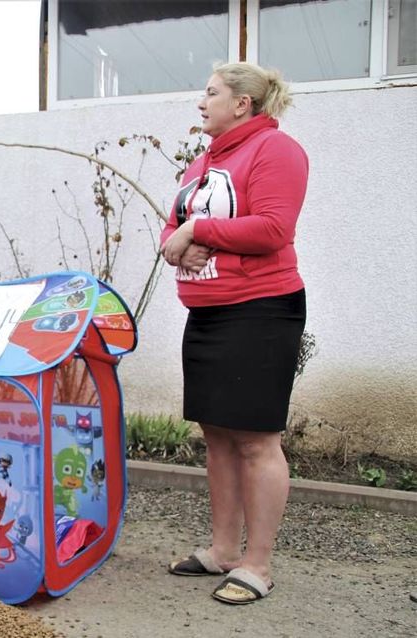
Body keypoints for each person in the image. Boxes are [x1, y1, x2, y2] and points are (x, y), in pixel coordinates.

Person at [161, 62, 308, 605]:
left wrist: (199, 230)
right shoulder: (202, 162)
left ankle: (257, 564)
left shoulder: (276, 151)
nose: (202, 102)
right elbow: (170, 225)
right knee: (217, 435)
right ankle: (223, 552)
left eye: (212, 93)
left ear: (243, 103)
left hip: (262, 310)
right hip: (208, 315)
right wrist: (176, 238)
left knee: (255, 440)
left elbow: (273, 228)